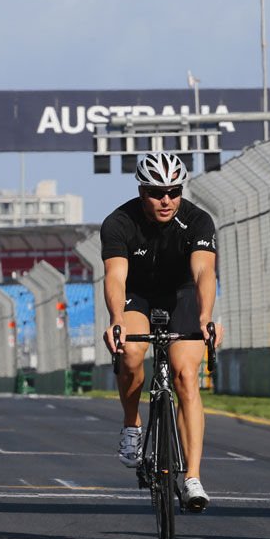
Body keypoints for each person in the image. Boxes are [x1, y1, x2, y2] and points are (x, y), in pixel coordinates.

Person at [100, 152, 223, 513]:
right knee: (131, 352)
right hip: (136, 294)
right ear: (141, 191)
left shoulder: (198, 221)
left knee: (186, 375)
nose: (166, 199)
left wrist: (205, 317)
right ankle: (131, 424)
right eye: (156, 192)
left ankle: (192, 477)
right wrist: (116, 318)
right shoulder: (119, 222)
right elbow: (115, 277)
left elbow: (204, 273)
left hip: (182, 294)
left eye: (173, 190)